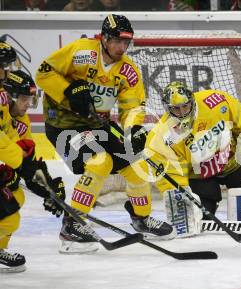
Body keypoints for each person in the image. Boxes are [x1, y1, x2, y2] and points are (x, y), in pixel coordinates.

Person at [35, 14, 174, 254]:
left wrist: (134, 129)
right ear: (105, 38)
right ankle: (73, 224)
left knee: (136, 163)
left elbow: (131, 107)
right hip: (64, 126)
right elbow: (44, 73)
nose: (122, 47)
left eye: (126, 43)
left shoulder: (128, 71)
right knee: (100, 161)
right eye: (117, 41)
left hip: (97, 125)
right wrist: (68, 89)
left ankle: (141, 218)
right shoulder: (82, 52)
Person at [145, 81, 241, 238]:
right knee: (201, 221)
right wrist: (182, 202)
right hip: (200, 176)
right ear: (167, 109)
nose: (182, 112)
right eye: (176, 109)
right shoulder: (162, 137)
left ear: (192, 101)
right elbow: (170, 176)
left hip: (234, 162)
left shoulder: (215, 101)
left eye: (185, 106)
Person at [0, 67, 66, 273]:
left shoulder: (18, 120)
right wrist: (22, 166)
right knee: (9, 212)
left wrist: (47, 186)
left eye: (31, 99)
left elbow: (26, 154)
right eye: (23, 99)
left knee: (15, 201)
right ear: (9, 97)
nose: (29, 105)